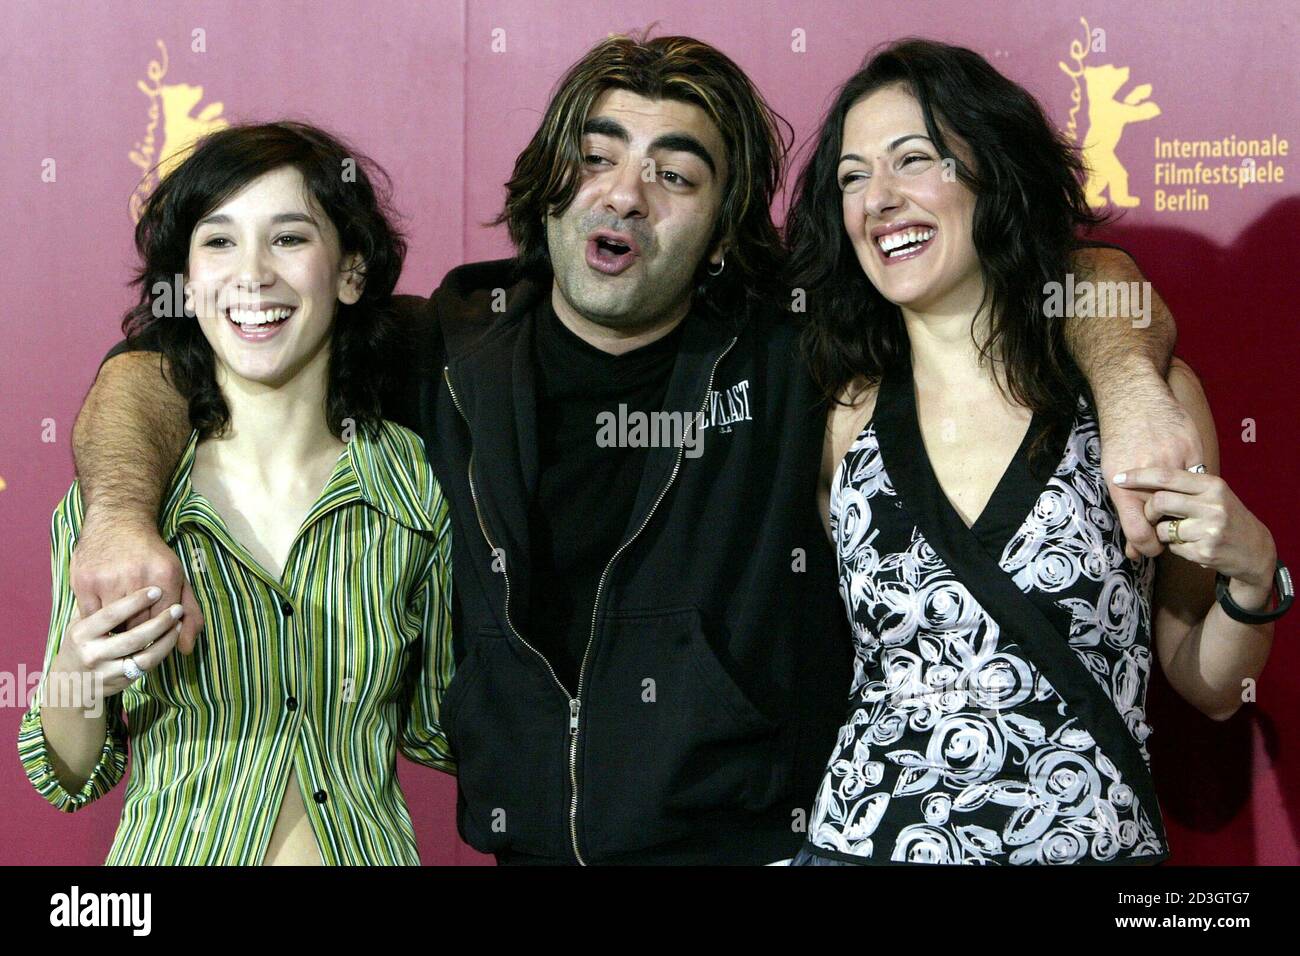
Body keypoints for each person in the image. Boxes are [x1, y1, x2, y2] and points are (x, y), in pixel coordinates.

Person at [69, 34, 1190, 865]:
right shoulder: (451, 343)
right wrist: (120, 513)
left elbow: (1074, 272)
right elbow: (155, 370)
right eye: (597, 155)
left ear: (722, 223)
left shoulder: (799, 345)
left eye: (677, 172)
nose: (625, 192)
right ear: (550, 180)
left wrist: (1130, 386)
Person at [785, 39, 1284, 865]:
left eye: (916, 159)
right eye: (852, 176)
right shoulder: (843, 416)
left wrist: (1255, 574)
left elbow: (1213, 688)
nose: (879, 198)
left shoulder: (1141, 402)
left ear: (995, 172)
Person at [19, 122, 455, 865]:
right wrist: (75, 676)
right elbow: (67, 774)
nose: (251, 274)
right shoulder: (129, 500)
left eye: (288, 239)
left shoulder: (417, 486)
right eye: (219, 242)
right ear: (186, 284)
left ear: (350, 272)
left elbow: (441, 728)